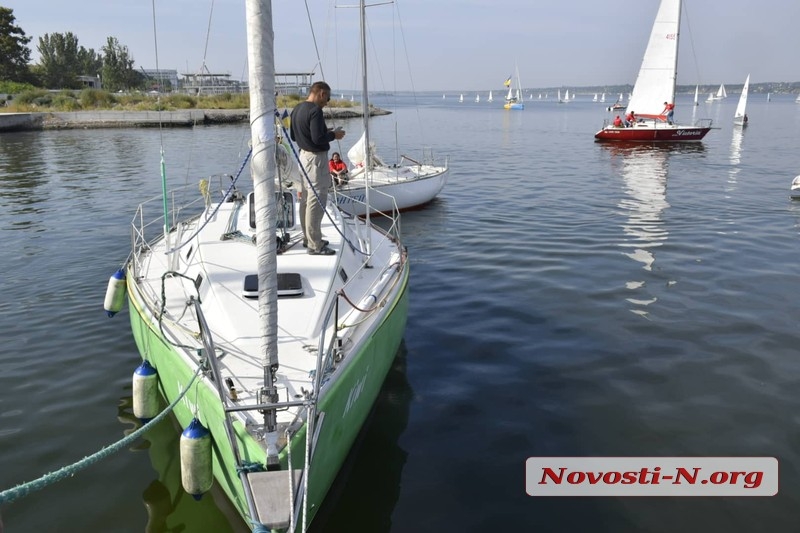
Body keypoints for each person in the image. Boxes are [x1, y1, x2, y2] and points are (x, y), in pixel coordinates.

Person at [289, 81, 345, 255]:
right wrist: (333, 135)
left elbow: (293, 135)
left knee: (305, 199)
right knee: (316, 201)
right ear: (321, 93)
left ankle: (309, 238)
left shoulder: (297, 109)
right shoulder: (315, 111)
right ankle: (315, 245)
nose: (326, 102)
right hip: (316, 160)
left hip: (303, 156)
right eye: (327, 98)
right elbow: (318, 139)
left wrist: (322, 131)